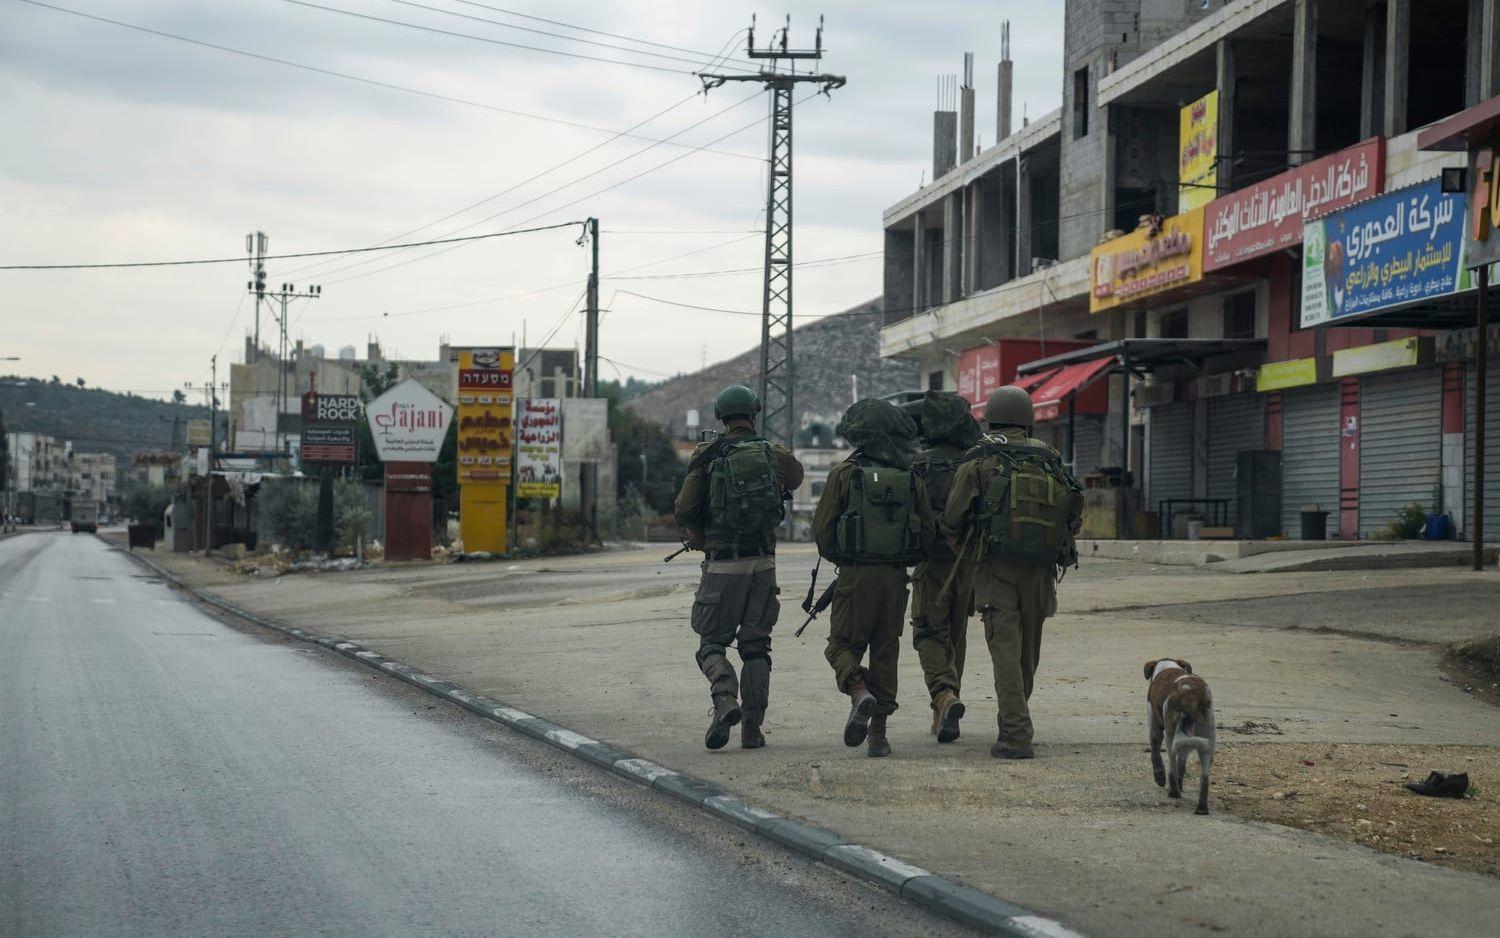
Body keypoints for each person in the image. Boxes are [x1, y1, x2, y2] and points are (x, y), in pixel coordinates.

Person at [941, 386, 1082, 759]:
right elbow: (1073, 511)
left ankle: (1016, 735)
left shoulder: (980, 460)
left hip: (995, 569)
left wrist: (971, 553)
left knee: (1004, 653)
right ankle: (1012, 723)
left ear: (991, 418)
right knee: (1026, 654)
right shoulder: (1049, 458)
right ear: (1028, 419)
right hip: (1041, 570)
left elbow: (952, 518)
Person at [674, 385, 804, 751]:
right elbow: (796, 477)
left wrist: (697, 534)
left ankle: (724, 695)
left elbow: (684, 507)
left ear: (721, 416)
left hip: (722, 566)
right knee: (756, 648)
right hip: (763, 565)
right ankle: (752, 729)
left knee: (711, 643)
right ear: (754, 413)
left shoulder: (707, 456)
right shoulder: (772, 453)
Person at [812, 398, 934, 758]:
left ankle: (858, 692)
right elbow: (927, 533)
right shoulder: (912, 478)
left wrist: (849, 559)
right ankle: (878, 736)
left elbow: (823, 532)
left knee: (840, 647)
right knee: (886, 651)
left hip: (855, 575)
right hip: (896, 580)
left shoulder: (845, 475)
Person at [905, 391, 983, 743]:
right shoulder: (978, 461)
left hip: (932, 563)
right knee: (955, 636)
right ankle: (944, 711)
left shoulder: (917, 464)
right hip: (969, 563)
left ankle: (944, 696)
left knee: (927, 633)